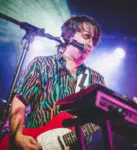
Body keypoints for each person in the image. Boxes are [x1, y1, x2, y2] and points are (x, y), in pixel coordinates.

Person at [10, 15, 106, 150]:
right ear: (70, 35)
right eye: (86, 36)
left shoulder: (96, 80)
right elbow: (19, 100)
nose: (90, 44)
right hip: (36, 144)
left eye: (94, 40)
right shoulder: (41, 64)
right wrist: (17, 135)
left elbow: (103, 119)